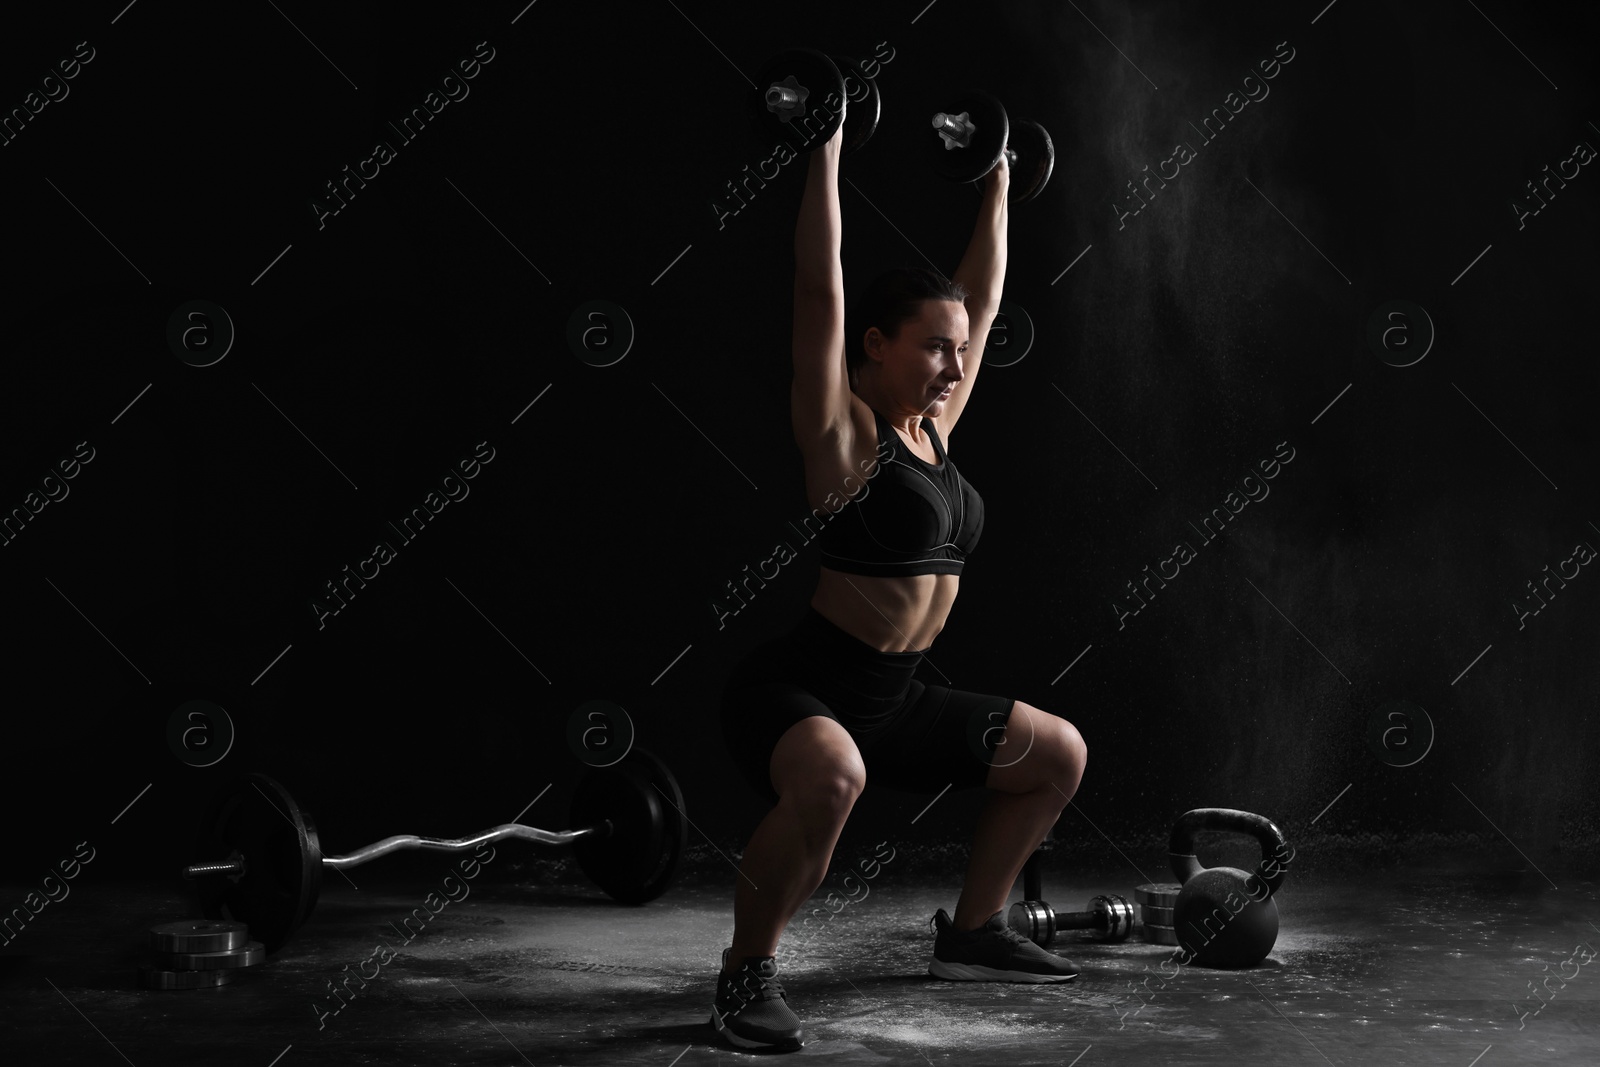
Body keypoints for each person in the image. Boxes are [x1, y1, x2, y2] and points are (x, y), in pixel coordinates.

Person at [713, 101, 1089, 1053]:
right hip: (804, 691)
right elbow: (817, 293)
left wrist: (1000, 175)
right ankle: (743, 975)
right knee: (834, 777)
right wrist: (825, 144)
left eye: (958, 353)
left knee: (1057, 755)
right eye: (932, 346)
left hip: (899, 698)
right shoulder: (845, 439)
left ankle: (972, 935)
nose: (953, 364)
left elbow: (985, 296)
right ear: (876, 347)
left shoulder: (935, 429)